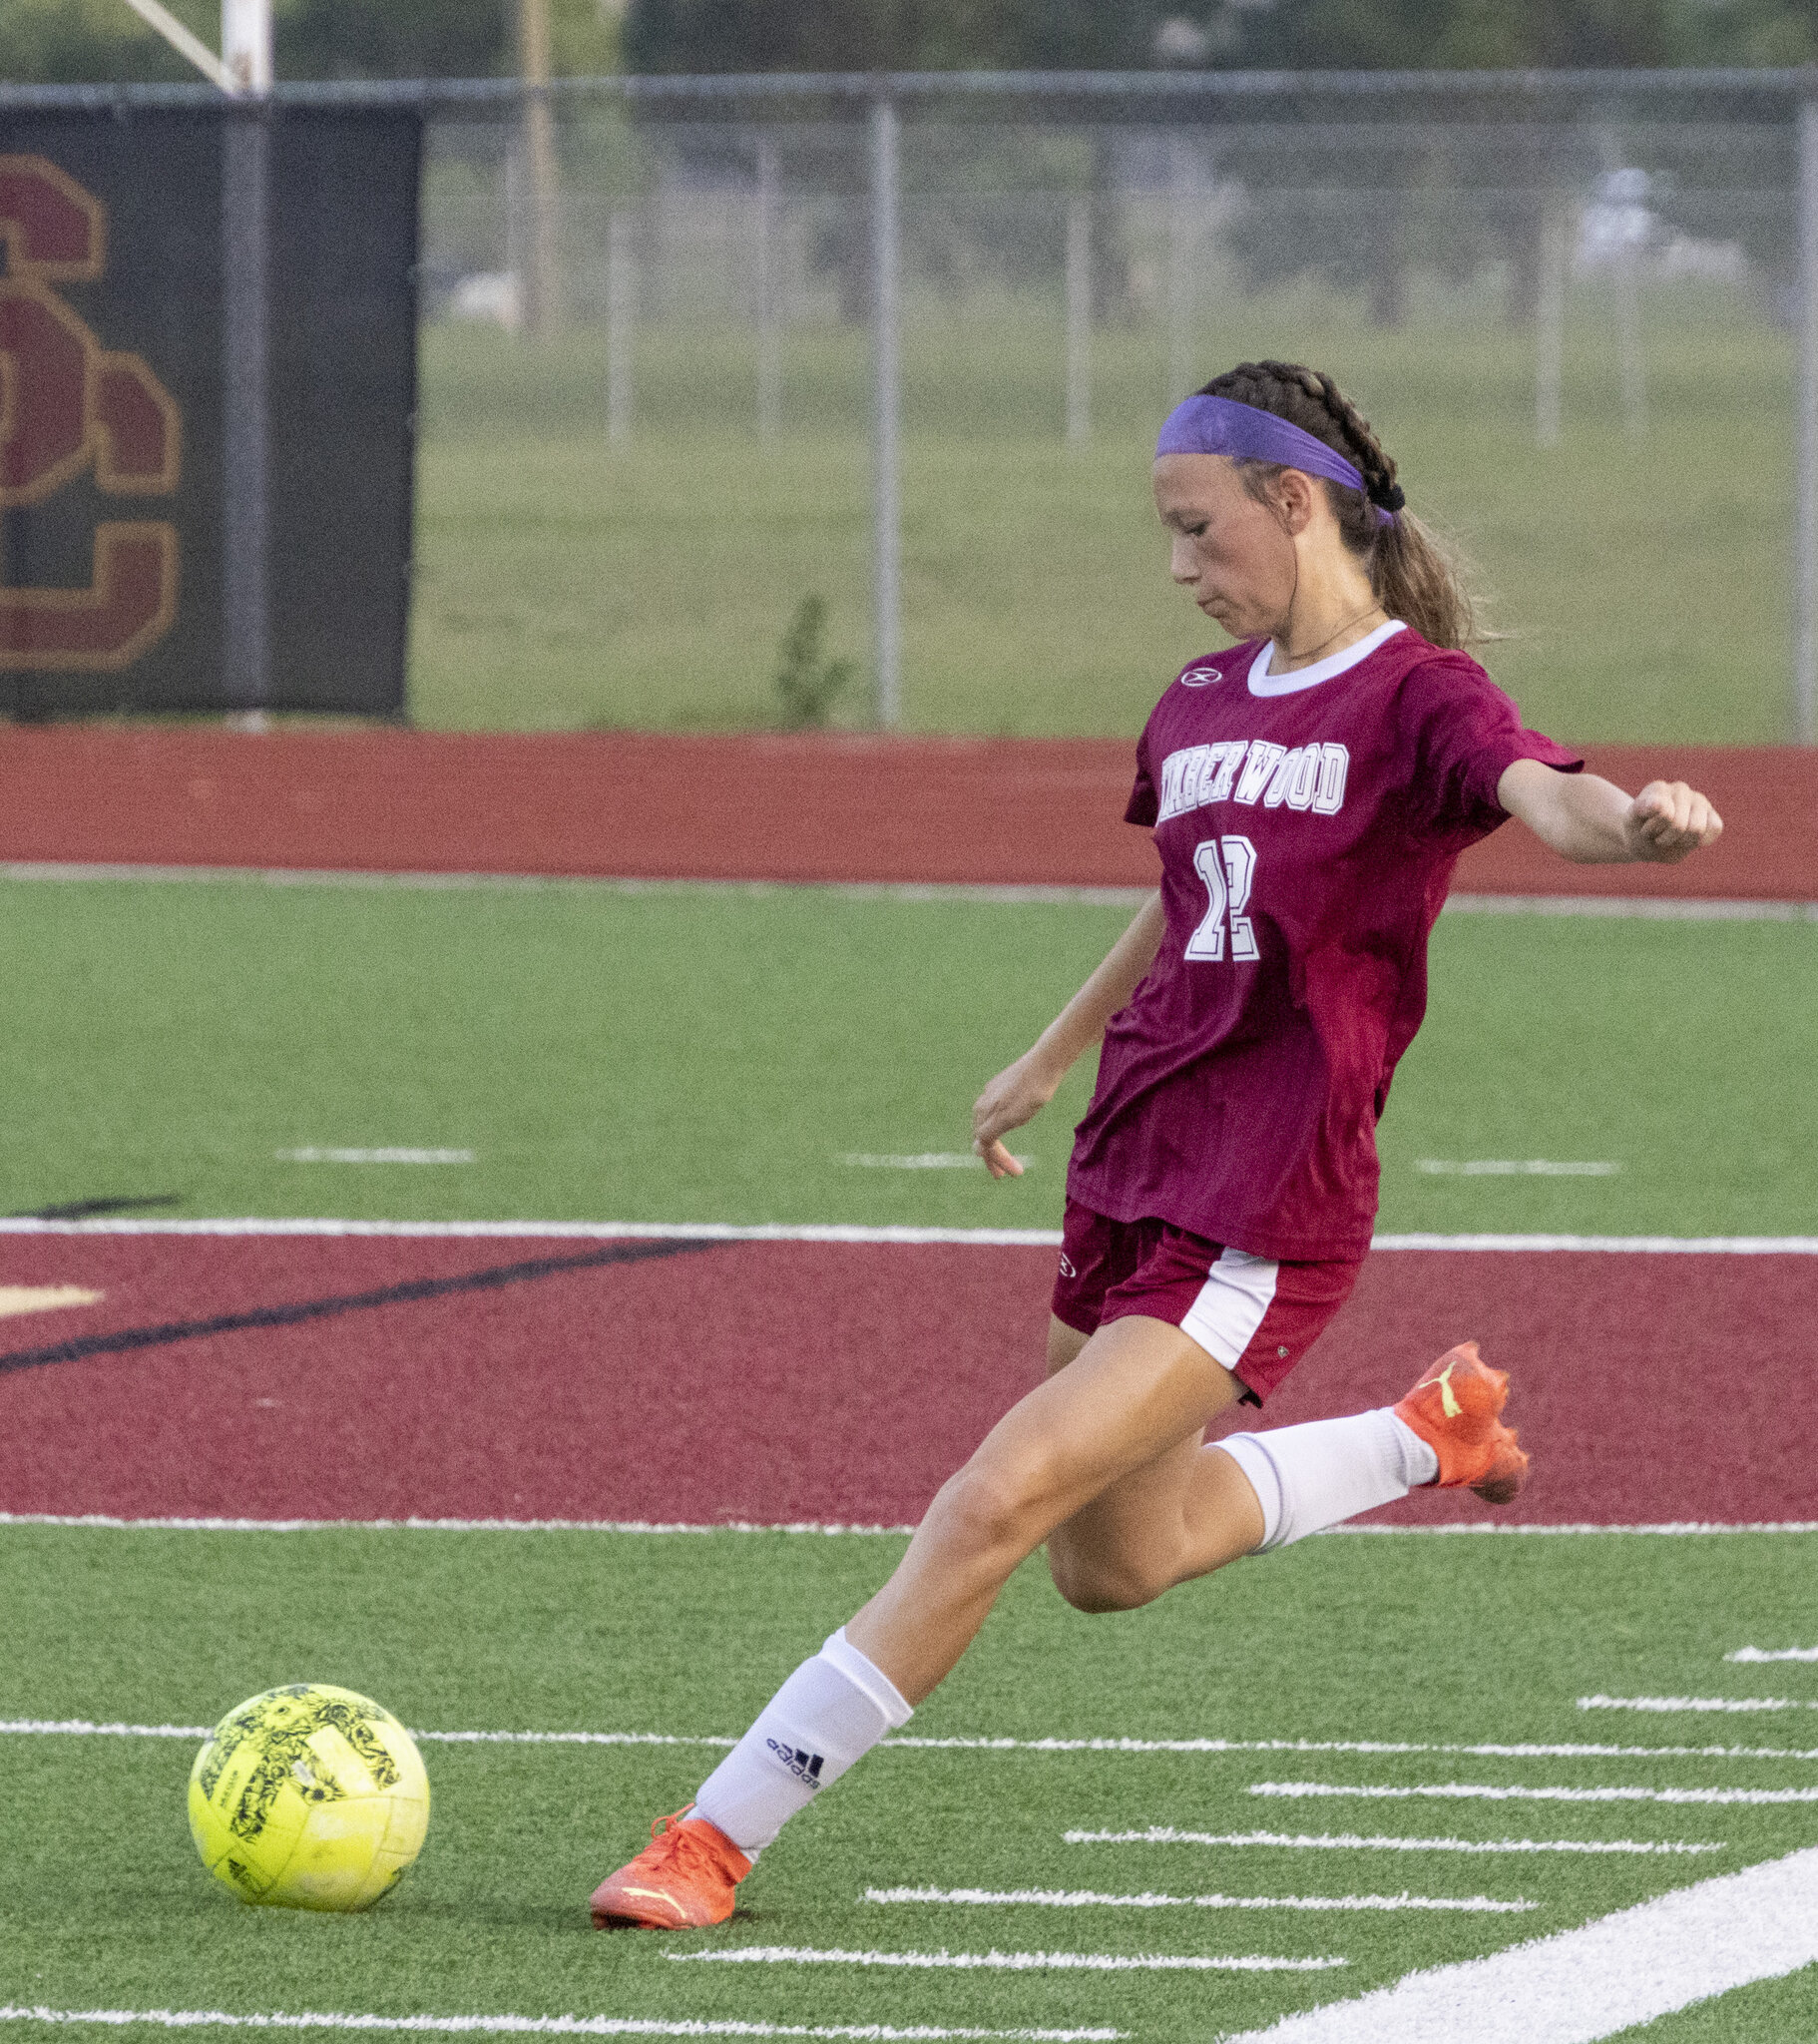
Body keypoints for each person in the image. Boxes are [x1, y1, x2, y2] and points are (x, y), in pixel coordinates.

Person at [588, 358, 1724, 1929]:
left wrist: (1640, 825)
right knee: (1112, 1561)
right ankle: (1428, 1437)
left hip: (1263, 1204)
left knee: (995, 1501)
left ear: (1292, 503)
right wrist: (1049, 1052)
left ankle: (712, 1836)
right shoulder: (1194, 705)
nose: (1178, 569)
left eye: (1196, 533)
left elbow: (1547, 793)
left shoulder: (1416, 697)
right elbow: (1192, 890)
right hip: (1130, 1160)